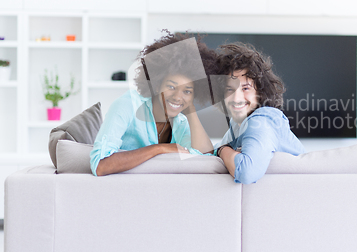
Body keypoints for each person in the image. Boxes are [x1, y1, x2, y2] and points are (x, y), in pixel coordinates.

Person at [90, 33, 217, 176]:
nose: (177, 97)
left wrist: (191, 109)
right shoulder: (128, 105)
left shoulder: (180, 123)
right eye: (171, 87)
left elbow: (204, 157)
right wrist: (158, 149)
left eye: (187, 91)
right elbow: (99, 165)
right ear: (157, 85)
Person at [214, 42, 305, 184]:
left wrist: (223, 151)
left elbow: (246, 172)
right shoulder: (237, 124)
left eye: (245, 88)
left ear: (260, 92)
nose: (236, 98)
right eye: (229, 89)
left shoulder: (262, 120)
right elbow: (213, 149)